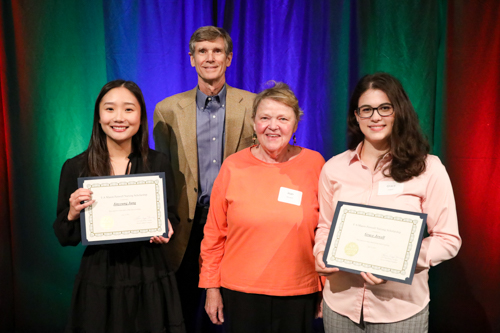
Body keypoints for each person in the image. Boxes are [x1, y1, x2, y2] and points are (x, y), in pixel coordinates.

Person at [314, 73, 461, 332]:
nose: (375, 117)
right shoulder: (333, 168)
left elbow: (448, 240)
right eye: (366, 109)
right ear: (356, 116)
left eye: (384, 108)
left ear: (399, 111)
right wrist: (321, 255)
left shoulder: (429, 168)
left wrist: (397, 262)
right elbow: (325, 227)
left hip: (399, 311)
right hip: (340, 307)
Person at [53, 80, 185, 333]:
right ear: (99, 116)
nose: (119, 118)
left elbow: (171, 217)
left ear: (140, 116)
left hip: (150, 273)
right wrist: (71, 213)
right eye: (110, 109)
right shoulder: (76, 167)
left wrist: (167, 228)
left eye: (129, 109)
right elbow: (63, 235)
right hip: (100, 275)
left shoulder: (158, 163)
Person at [199, 82, 325, 333]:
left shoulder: (315, 164)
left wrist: (325, 286)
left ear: (295, 124)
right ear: (254, 123)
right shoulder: (233, 166)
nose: (273, 126)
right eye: (265, 117)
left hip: (298, 292)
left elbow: (325, 230)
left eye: (282, 118)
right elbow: (214, 234)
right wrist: (211, 288)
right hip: (240, 292)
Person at [153, 26, 255, 331]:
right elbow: (163, 173)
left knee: (231, 314)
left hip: (236, 226)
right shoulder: (167, 110)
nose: (209, 57)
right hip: (187, 226)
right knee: (183, 313)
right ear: (192, 58)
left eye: (217, 51)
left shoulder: (253, 105)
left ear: (229, 58)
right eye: (202, 51)